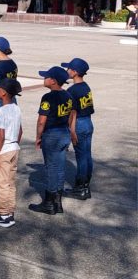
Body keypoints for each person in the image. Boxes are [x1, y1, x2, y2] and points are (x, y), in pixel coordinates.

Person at [29, 67, 73, 215]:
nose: (44, 79)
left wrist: (38, 137)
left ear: (53, 81)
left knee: (51, 169)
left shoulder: (48, 98)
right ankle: (57, 202)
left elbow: (42, 121)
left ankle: (48, 203)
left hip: (52, 134)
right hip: (64, 133)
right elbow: (72, 114)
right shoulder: (68, 95)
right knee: (60, 168)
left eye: (46, 76)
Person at [0, 78, 23, 228]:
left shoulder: (0, 111)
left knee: (1, 184)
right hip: (13, 148)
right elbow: (20, 131)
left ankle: (3, 215)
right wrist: (14, 143)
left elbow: (0, 135)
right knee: (10, 182)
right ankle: (10, 211)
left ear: (4, 92)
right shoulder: (16, 108)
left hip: (3, 150)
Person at [62, 58, 94, 200]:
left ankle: (80, 188)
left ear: (74, 72)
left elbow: (71, 114)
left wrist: (71, 132)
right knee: (87, 155)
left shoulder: (72, 90)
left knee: (81, 157)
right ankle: (86, 186)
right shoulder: (86, 87)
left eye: (68, 69)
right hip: (88, 122)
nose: (66, 71)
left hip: (78, 124)